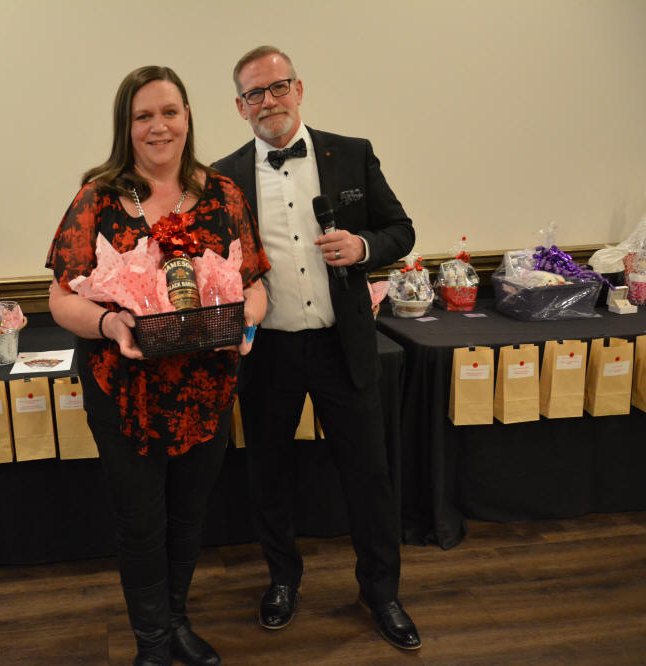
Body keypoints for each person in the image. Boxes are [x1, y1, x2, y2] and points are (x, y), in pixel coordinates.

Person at [46, 66, 269, 666]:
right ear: (126, 126)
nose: (158, 126)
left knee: (189, 516)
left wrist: (246, 323)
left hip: (206, 389)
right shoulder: (97, 198)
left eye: (169, 112)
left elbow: (253, 284)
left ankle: (175, 621)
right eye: (143, 116)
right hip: (125, 391)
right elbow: (61, 298)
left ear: (188, 117)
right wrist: (110, 324)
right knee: (141, 523)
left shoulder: (225, 195)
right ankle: (150, 642)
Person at [212, 46, 421, 651]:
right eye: (255, 93)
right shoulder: (221, 177)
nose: (268, 101)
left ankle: (381, 591)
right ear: (240, 106)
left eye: (278, 87)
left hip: (342, 345)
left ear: (299, 90)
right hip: (267, 351)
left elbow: (401, 230)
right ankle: (282, 580)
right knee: (269, 475)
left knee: (369, 475)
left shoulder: (351, 153)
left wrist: (362, 247)